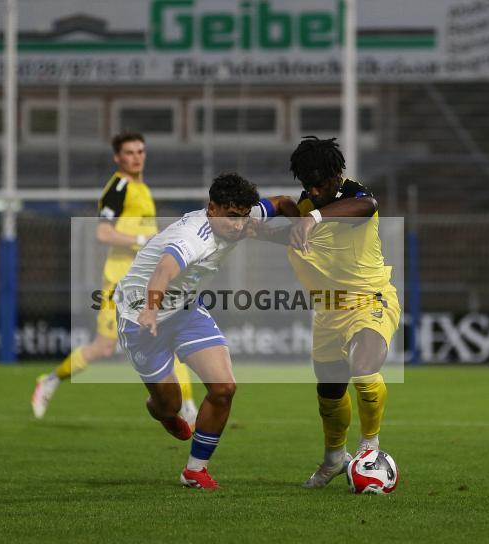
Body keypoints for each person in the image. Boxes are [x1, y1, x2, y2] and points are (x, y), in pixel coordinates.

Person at [115, 172, 291, 490]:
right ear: (212, 208)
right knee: (169, 405)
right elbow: (163, 271)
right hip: (140, 316)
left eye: (243, 217)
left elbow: (282, 203)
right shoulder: (192, 237)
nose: (238, 225)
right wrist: (151, 310)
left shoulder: (241, 216)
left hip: (185, 311)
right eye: (231, 218)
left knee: (224, 388)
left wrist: (304, 221)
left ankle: (195, 470)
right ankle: (161, 410)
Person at [32, 131, 198, 424]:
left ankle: (187, 405)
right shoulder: (118, 187)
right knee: (104, 347)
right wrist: (141, 239)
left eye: (140, 151)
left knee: (170, 334)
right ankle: (50, 380)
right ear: (117, 157)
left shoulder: (142, 187)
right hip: (121, 282)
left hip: (147, 280)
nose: (136, 157)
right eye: (130, 152)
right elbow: (102, 232)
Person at [285, 136, 401, 489]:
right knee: (330, 393)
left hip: (371, 300)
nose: (314, 192)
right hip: (330, 311)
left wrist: (313, 218)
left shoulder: (357, 197)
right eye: (308, 186)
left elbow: (367, 205)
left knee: (364, 370)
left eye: (320, 184)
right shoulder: (307, 204)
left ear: (337, 176)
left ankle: (370, 450)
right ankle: (335, 459)